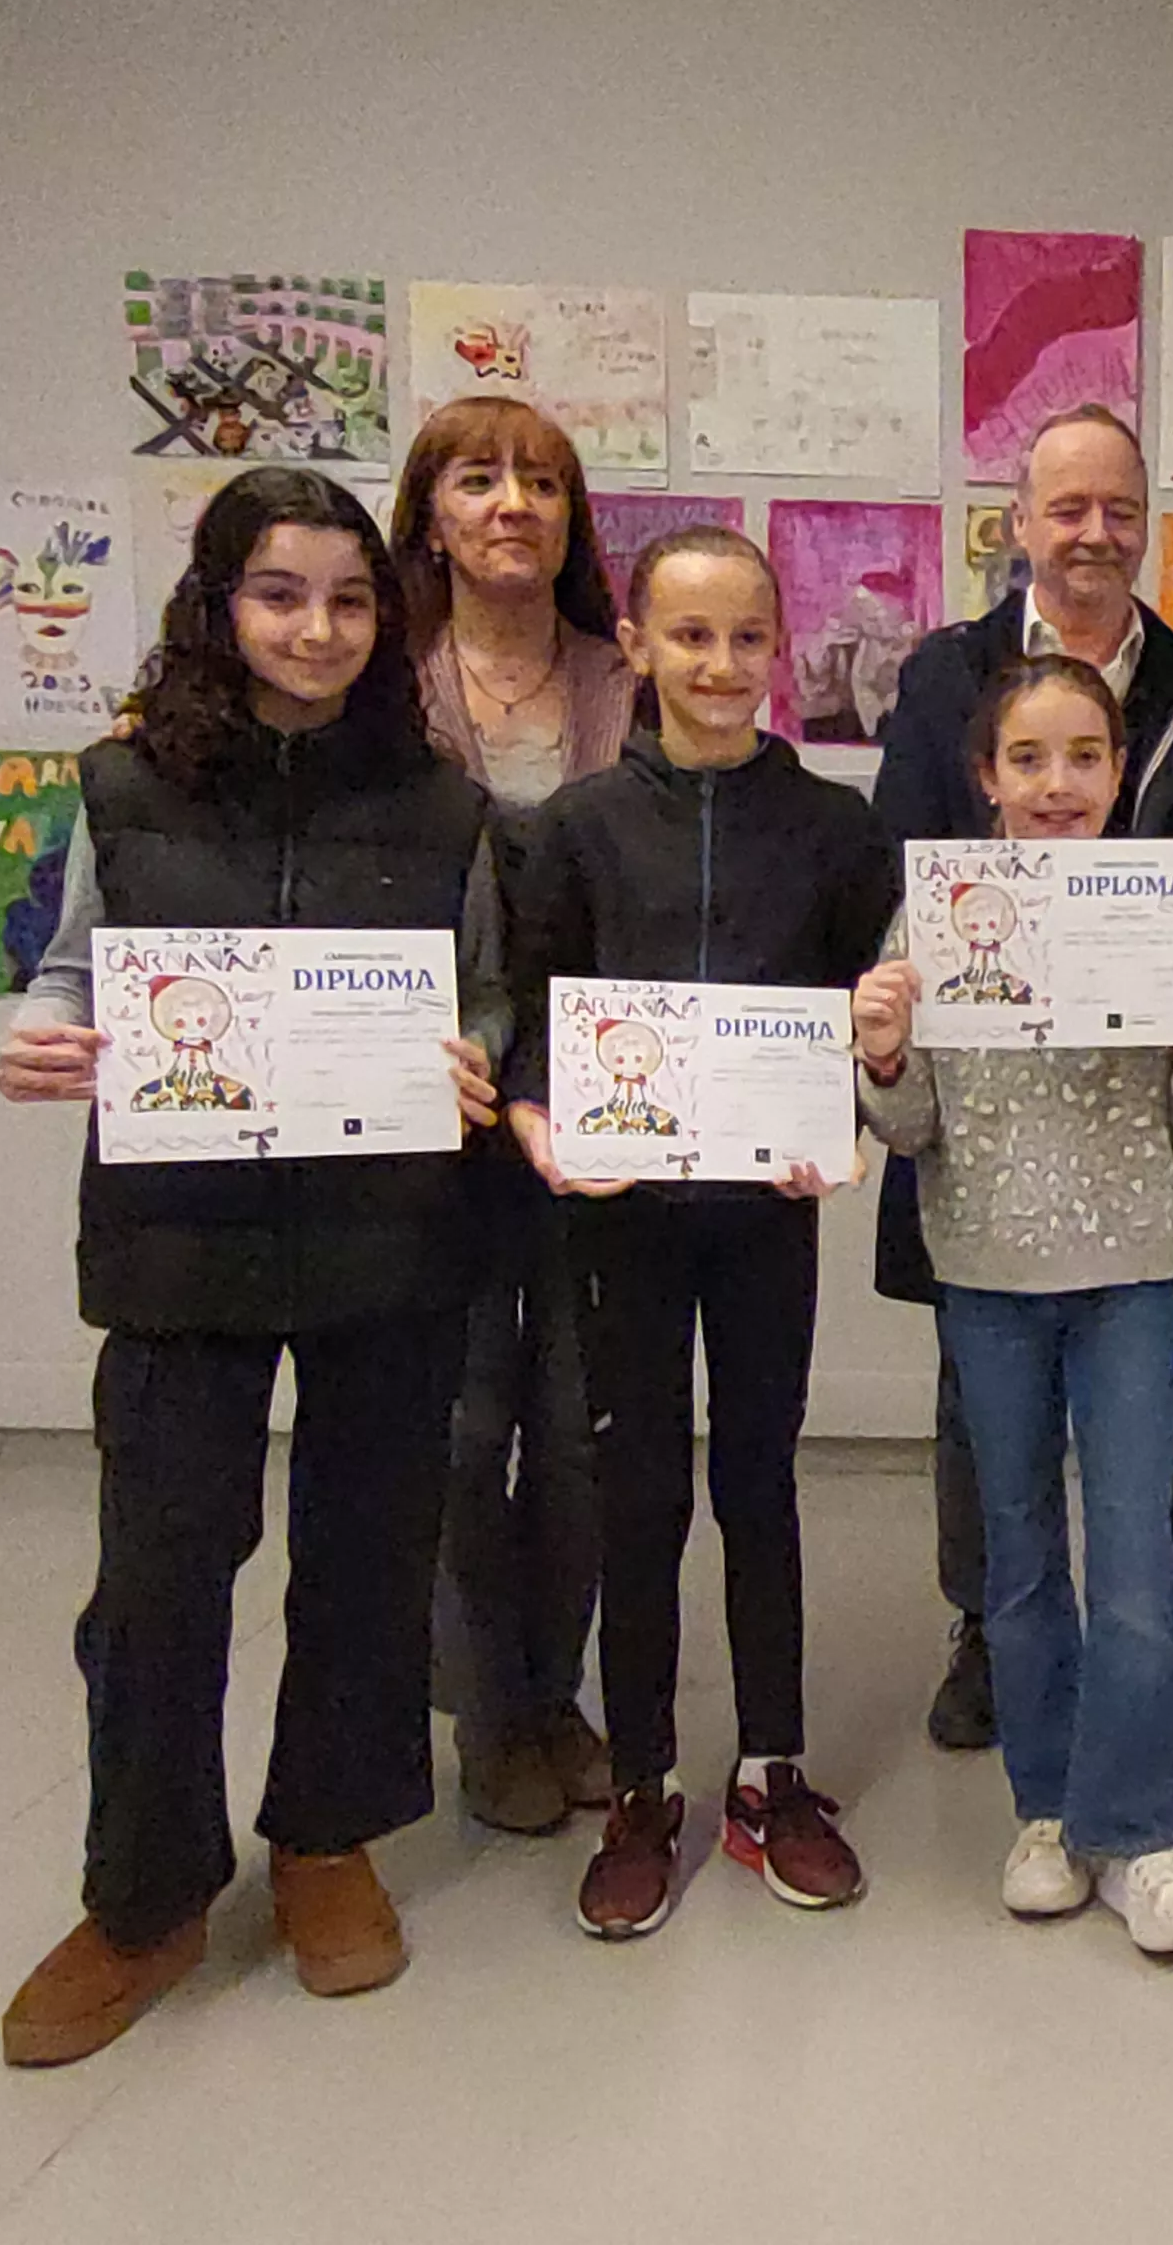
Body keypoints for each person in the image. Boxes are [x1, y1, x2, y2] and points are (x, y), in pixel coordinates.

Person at [0, 466, 505, 2066]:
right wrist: (36, 1035)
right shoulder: (129, 785)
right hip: (177, 1239)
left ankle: (326, 1841)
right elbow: (73, 965)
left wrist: (475, 1060)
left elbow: (482, 994)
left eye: (351, 600)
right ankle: (143, 1894)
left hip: (383, 1233)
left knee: (362, 1558)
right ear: (219, 605)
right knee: (155, 1578)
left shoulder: (440, 800)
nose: (319, 629)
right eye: (282, 595)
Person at [501, 526, 900, 1939]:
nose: (720, 665)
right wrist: (543, 1123)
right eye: (690, 637)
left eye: (746, 638)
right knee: (640, 1492)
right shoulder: (577, 829)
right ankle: (644, 1783)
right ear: (638, 644)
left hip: (764, 1217)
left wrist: (856, 1092)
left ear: (778, 648)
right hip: (625, 1217)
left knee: (759, 1482)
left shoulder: (837, 829)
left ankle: (769, 1774)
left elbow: (866, 1009)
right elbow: (537, 1015)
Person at [870, 405, 1173, 1755]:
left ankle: (1141, 1632)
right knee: (979, 1392)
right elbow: (905, 866)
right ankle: (992, 1626)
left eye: (1117, 508)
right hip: (978, 1117)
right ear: (1019, 521)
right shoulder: (945, 677)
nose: (1092, 532)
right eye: (1066, 507)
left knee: (1141, 1388)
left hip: (1131, 1115)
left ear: (1142, 521)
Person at [852, 656, 1173, 1955]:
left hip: (1132, 1267)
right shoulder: (933, 919)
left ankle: (1138, 1831)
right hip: (986, 1275)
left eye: (1085, 755)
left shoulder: (1153, 909)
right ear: (987, 777)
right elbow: (907, 1132)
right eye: (1029, 758)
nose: (1058, 782)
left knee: (1134, 1567)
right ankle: (1044, 1811)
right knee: (1018, 1563)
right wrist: (886, 1052)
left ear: (1118, 769)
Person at [387, 395, 638, 1837]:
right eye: (478, 480)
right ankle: (483, 1709)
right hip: (432, 1104)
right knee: (464, 1423)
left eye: (540, 483)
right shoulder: (385, 686)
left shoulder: (628, 675)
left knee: (580, 1422)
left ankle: (561, 1693)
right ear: (429, 509)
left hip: (605, 1102)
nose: (511, 506)